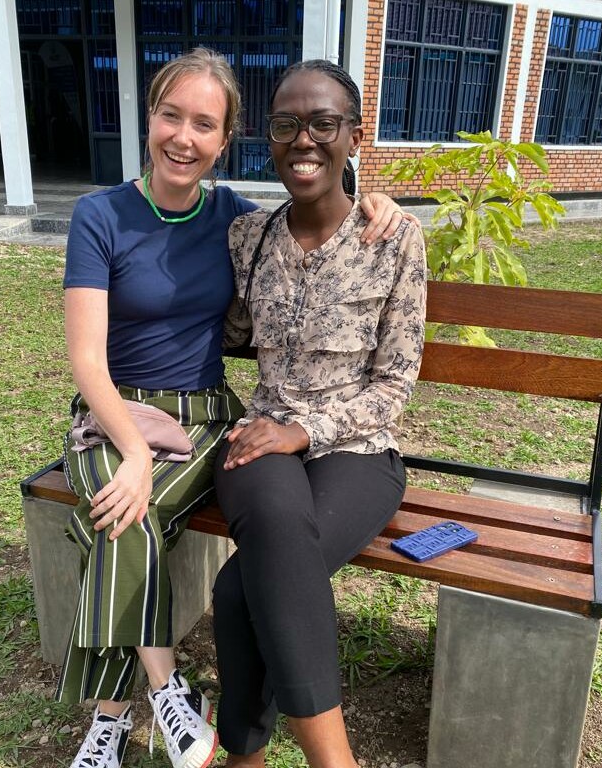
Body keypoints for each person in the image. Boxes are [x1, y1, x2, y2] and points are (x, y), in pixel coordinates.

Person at [58, 48, 408, 768]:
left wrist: (375, 197)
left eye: (205, 124)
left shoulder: (337, 232)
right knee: (145, 515)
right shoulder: (183, 226)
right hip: (179, 425)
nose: (184, 136)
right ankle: (165, 698)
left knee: (235, 580)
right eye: (171, 115)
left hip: (292, 433)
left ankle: (222, 743)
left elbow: (393, 377)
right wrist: (131, 437)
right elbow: (106, 348)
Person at [212, 59, 427, 768]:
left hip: (361, 451)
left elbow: (395, 386)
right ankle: (336, 762)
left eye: (323, 124)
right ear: (267, 139)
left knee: (238, 585)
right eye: (285, 125)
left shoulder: (396, 239)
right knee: (272, 524)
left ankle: (243, 756)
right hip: (262, 439)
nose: (304, 140)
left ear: (354, 137)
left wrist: (309, 430)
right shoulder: (247, 237)